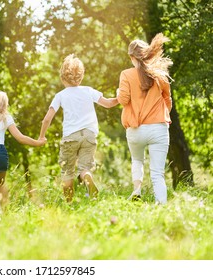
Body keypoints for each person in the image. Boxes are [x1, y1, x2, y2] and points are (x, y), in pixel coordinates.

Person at [39, 54, 119, 203]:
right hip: (89, 136)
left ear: (62, 77)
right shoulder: (88, 91)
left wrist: (42, 136)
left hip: (70, 137)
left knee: (67, 171)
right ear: (81, 77)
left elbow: (47, 119)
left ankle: (69, 203)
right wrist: (120, 97)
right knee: (84, 168)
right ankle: (87, 176)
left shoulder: (60, 95)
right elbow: (108, 103)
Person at [117, 33, 173, 204]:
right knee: (157, 173)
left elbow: (123, 100)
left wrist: (118, 93)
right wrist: (164, 116)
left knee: (137, 160)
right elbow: (167, 99)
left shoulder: (126, 74)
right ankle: (161, 205)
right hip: (158, 128)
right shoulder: (159, 74)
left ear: (131, 57)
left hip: (135, 129)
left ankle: (137, 190)